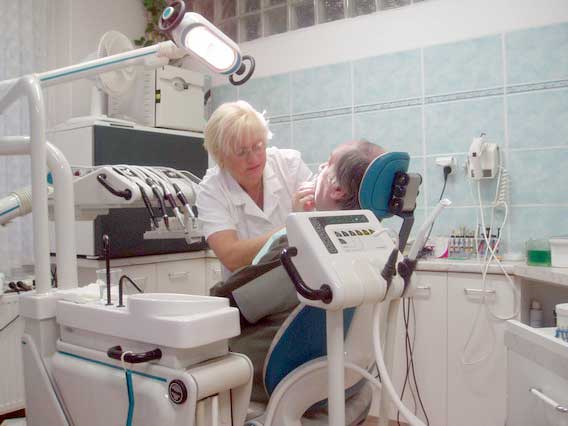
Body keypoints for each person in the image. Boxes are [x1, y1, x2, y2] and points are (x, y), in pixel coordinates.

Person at [212, 138, 386, 406]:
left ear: (337, 189)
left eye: (328, 163)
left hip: (271, 380)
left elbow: (229, 303)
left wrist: (295, 230)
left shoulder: (300, 250)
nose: (320, 167)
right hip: (340, 383)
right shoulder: (377, 248)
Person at [196, 101, 312, 279]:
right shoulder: (211, 190)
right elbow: (231, 257)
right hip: (248, 290)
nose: (253, 159)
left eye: (258, 146)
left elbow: (320, 222)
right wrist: (293, 227)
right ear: (221, 157)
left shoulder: (289, 164)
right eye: (241, 152)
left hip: (302, 282)